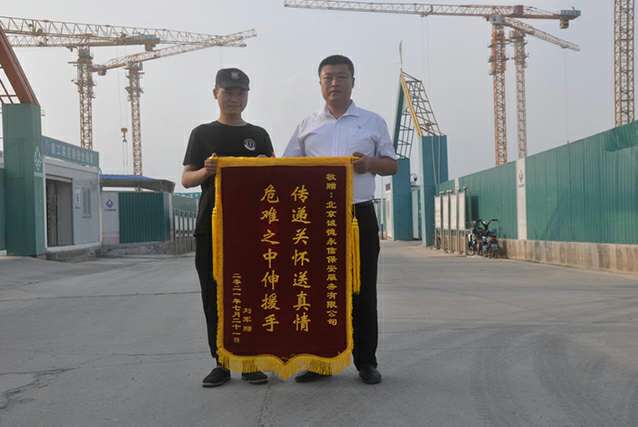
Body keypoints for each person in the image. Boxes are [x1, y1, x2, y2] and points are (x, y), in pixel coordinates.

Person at [283, 55, 398, 385]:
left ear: (353, 81)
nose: (335, 83)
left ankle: (366, 362)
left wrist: (370, 163)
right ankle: (321, 362)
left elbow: (392, 165)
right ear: (320, 83)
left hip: (358, 215)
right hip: (317, 219)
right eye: (328, 77)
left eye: (341, 77)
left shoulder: (372, 122)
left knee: (363, 290)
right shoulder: (307, 126)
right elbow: (286, 168)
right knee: (319, 290)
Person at [182, 68, 274, 387]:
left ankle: (249, 361)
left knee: (252, 292)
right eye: (228, 92)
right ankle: (221, 361)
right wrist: (206, 171)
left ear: (247, 95)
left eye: (240, 92)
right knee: (214, 294)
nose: (234, 98)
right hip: (212, 227)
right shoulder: (202, 134)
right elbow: (186, 179)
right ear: (215, 94)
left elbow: (276, 177)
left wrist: (266, 166)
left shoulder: (259, 134)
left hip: (252, 228)